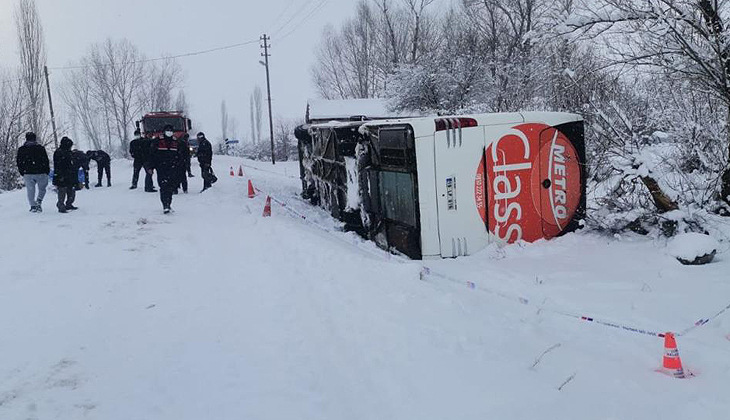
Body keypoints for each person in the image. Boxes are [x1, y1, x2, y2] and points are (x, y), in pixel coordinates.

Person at [148, 124, 180, 213]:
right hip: (161, 167)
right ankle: (165, 205)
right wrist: (151, 167)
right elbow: (151, 155)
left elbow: (179, 155)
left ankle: (169, 204)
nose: (169, 132)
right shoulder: (157, 141)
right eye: (167, 130)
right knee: (163, 186)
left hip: (172, 168)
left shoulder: (176, 142)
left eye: (171, 130)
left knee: (170, 187)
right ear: (164, 131)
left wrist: (180, 167)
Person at [16, 132, 50, 212]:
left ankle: (33, 206)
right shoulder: (40, 148)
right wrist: (46, 171)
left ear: (26, 138)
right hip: (41, 172)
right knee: (42, 189)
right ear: (35, 138)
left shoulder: (21, 149)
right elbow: (45, 160)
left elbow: (19, 162)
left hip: (28, 173)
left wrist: (22, 172)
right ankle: (39, 201)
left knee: (30, 190)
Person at [53, 137, 78, 213]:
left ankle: (69, 204)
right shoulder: (58, 152)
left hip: (70, 174)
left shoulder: (69, 152)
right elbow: (57, 165)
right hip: (61, 174)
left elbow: (72, 163)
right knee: (62, 191)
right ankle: (61, 205)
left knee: (71, 190)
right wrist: (59, 175)